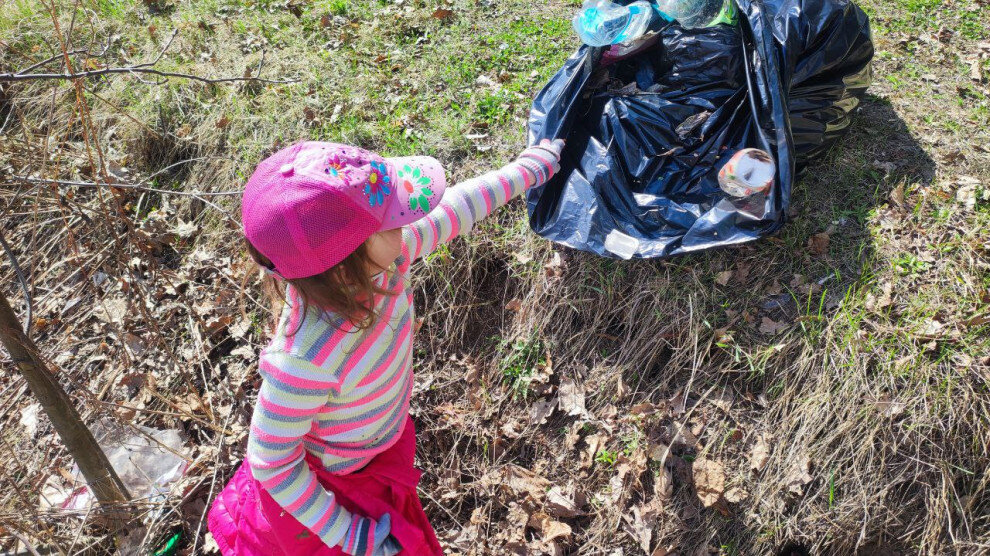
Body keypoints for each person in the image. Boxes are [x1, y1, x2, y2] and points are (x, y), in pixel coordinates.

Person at [207, 138, 565, 555]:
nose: (407, 220)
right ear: (346, 261)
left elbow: (456, 208)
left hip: (380, 447)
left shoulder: (386, 260)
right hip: (335, 493)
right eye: (390, 219)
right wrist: (347, 532)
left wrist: (524, 171)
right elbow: (272, 461)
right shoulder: (303, 359)